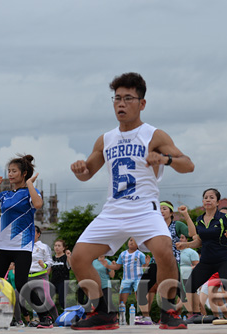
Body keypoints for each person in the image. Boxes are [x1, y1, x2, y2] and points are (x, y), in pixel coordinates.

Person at [69, 72, 194, 330]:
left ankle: (169, 312)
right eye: (116, 99)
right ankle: (103, 311)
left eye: (128, 98)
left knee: (165, 253)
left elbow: (188, 165)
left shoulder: (154, 136)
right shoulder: (105, 139)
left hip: (144, 209)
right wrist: (80, 169)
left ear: (142, 103)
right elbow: (87, 173)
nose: (121, 104)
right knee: (79, 257)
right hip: (113, 211)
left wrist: (164, 160)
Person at [0, 154, 48, 326]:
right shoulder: (5, 195)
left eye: (14, 171)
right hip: (3, 246)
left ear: (24, 173)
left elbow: (38, 204)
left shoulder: (29, 193)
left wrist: (30, 184)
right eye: (9, 171)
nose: (10, 174)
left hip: (22, 246)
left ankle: (45, 316)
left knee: (21, 284)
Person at [176, 188, 227, 321]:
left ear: (217, 202)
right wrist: (185, 245)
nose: (208, 200)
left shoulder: (223, 217)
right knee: (190, 286)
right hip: (206, 261)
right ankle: (196, 314)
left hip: (223, 259)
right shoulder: (199, 219)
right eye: (205, 197)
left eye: (211, 197)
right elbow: (198, 242)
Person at [135, 200, 189, 325]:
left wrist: (186, 215)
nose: (161, 211)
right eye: (159, 209)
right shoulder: (155, 226)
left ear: (171, 212)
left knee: (179, 292)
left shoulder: (177, 225)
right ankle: (146, 317)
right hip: (155, 262)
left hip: (172, 262)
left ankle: (174, 314)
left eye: (164, 208)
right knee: (141, 288)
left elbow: (191, 233)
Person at [27, 226, 57, 326]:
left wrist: (44, 265)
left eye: (33, 231)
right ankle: (42, 319)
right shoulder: (24, 246)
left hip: (40, 276)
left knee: (45, 298)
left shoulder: (44, 247)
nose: (31, 233)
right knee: (23, 298)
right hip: (27, 277)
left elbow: (50, 261)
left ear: (39, 234)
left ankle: (57, 320)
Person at [105, 237, 149, 305]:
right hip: (126, 280)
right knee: (121, 300)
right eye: (131, 240)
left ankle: (143, 314)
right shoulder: (123, 254)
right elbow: (117, 266)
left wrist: (146, 264)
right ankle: (121, 315)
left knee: (140, 298)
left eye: (135, 241)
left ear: (138, 245)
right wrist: (111, 265)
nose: (132, 242)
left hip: (137, 279)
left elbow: (144, 268)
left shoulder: (140, 254)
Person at [178, 234, 199, 318]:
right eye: (179, 237)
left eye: (182, 238)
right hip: (177, 277)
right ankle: (176, 315)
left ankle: (192, 313)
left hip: (188, 277)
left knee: (187, 296)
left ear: (187, 240)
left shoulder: (191, 252)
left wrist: (190, 268)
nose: (180, 239)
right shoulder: (174, 251)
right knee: (179, 299)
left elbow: (197, 265)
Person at [51, 239, 72, 310]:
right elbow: (48, 271)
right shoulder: (52, 258)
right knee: (46, 299)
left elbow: (71, 266)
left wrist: (69, 256)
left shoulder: (66, 257)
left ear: (63, 248)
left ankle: (68, 316)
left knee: (62, 301)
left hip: (63, 282)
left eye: (59, 246)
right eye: (55, 245)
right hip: (53, 281)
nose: (57, 247)